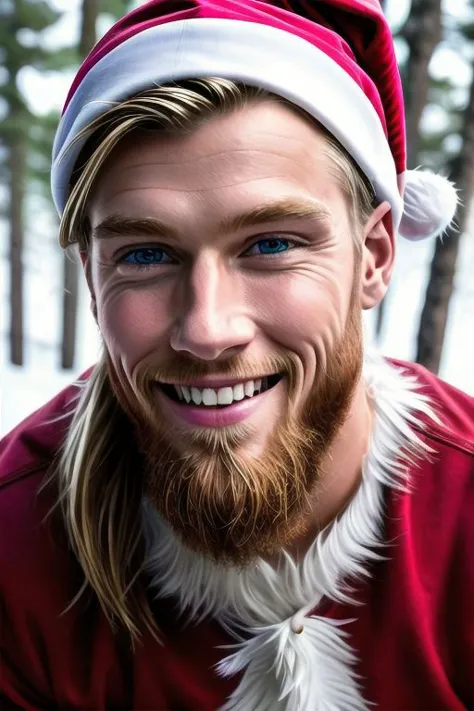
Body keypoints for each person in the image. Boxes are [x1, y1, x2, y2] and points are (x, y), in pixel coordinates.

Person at [1, 0, 473, 709]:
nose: (208, 327)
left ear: (374, 255)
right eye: (147, 254)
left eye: (272, 244)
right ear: (93, 279)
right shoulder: (13, 552)